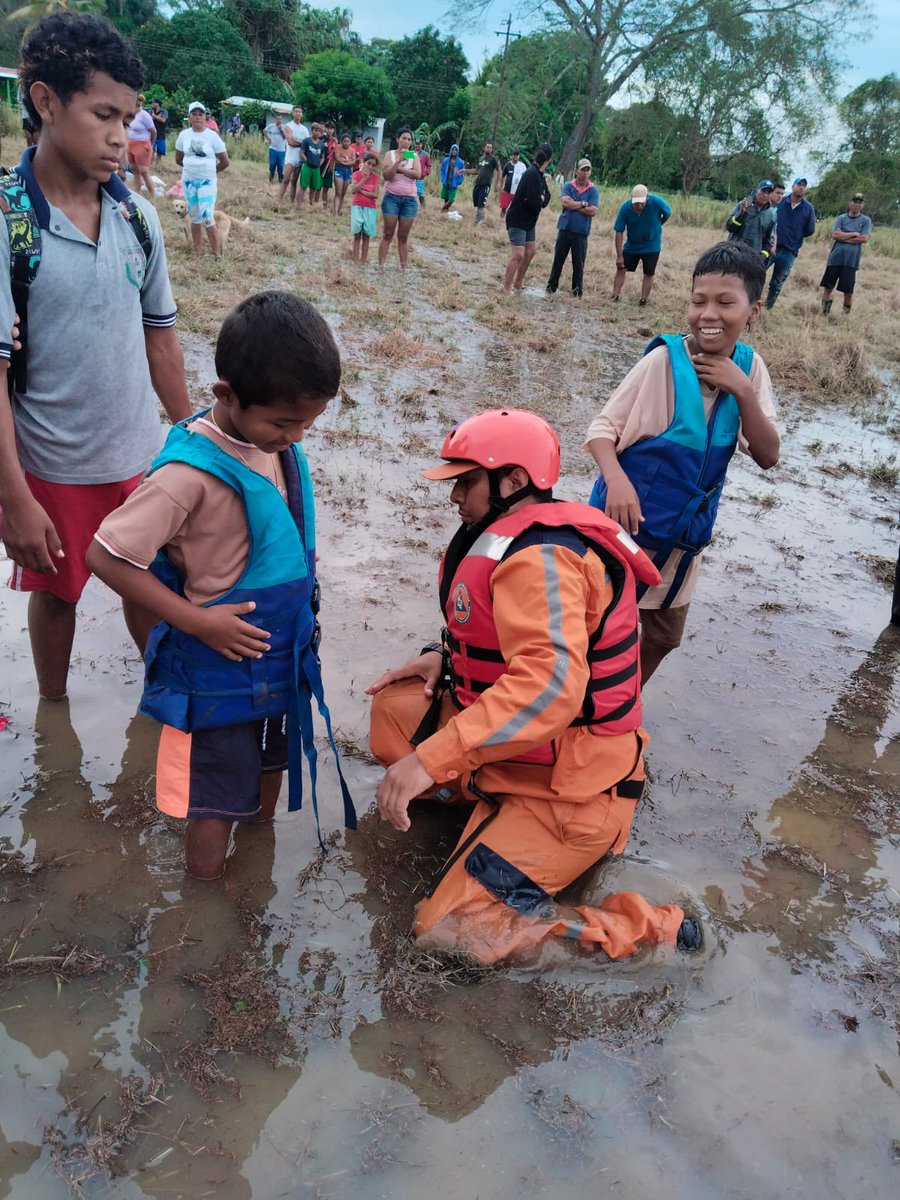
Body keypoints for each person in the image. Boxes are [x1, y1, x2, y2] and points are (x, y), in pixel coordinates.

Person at [366, 408, 695, 965]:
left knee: (449, 933)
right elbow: (503, 637)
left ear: (514, 481)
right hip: (527, 755)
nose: (455, 497)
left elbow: (549, 689)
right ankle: (478, 805)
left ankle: (650, 929)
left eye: (465, 481)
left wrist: (430, 761)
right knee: (395, 711)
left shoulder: (544, 556)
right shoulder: (511, 538)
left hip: (572, 788)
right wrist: (440, 657)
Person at [87, 292, 355, 880]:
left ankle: (255, 862)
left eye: (309, 422)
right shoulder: (184, 477)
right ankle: (204, 899)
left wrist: (283, 432)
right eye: (285, 422)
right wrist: (196, 620)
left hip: (279, 654)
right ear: (225, 395)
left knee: (268, 763)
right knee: (213, 794)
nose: (297, 436)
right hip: (217, 664)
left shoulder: (274, 447)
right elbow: (105, 555)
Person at [0, 12, 190, 703]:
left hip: (141, 459)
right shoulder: (9, 221)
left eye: (130, 119)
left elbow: (160, 339)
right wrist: (14, 498)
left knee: (153, 587)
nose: (122, 137)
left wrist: (197, 441)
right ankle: (55, 716)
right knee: (58, 597)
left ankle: (161, 701)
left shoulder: (138, 218)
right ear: (46, 102)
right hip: (52, 467)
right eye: (104, 115)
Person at [585, 241, 780, 682]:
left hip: (682, 544)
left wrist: (742, 391)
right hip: (624, 531)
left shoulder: (752, 371)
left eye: (725, 302)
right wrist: (615, 481)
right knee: (592, 629)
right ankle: (578, 710)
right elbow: (602, 431)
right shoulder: (661, 363)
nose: (708, 314)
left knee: (661, 638)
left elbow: (768, 456)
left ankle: (622, 708)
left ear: (754, 311)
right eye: (698, 301)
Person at [175, 101, 230, 256]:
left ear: (206, 117)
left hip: (207, 181)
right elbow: (178, 158)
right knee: (195, 217)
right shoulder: (183, 135)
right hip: (189, 181)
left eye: (201, 114)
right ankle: (197, 253)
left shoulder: (212, 136)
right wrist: (191, 170)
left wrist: (211, 172)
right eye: (194, 114)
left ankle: (217, 255)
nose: (198, 117)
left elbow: (225, 161)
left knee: (207, 216)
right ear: (189, 117)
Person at [503, 142, 552, 294]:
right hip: (518, 219)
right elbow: (535, 202)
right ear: (549, 160)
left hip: (529, 220)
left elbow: (544, 199)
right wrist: (541, 198)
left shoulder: (540, 175)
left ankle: (518, 283)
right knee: (518, 254)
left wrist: (541, 197)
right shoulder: (532, 174)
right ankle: (506, 289)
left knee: (530, 252)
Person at [545, 158, 599, 297]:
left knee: (578, 263)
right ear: (576, 171)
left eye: (588, 170)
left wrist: (573, 205)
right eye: (583, 170)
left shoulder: (593, 190)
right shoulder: (569, 185)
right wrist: (582, 203)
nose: (585, 173)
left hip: (581, 232)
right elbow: (564, 204)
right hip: (565, 228)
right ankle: (551, 287)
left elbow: (593, 211)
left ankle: (576, 292)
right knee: (558, 260)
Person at [612, 184, 672, 306]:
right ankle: (615, 295)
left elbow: (668, 212)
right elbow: (619, 231)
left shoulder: (657, 202)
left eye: (641, 203)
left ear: (647, 199)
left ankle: (643, 300)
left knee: (649, 273)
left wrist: (659, 224)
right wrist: (619, 256)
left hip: (652, 245)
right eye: (636, 203)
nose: (638, 206)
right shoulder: (625, 208)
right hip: (632, 245)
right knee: (621, 268)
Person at [765, 177, 816, 308]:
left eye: (804, 185)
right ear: (792, 186)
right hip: (770, 247)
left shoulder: (808, 208)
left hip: (789, 252)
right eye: (799, 184)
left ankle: (768, 307)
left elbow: (810, 230)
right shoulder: (781, 201)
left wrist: (795, 236)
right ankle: (751, 303)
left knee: (777, 283)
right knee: (758, 274)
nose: (801, 187)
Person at [820, 193, 871, 315]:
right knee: (828, 287)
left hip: (851, 261)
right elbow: (835, 235)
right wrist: (854, 233)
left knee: (848, 291)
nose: (856, 204)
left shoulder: (865, 220)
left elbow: (864, 238)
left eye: (860, 202)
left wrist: (844, 237)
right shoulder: (841, 218)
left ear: (863, 205)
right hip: (835, 259)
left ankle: (845, 315)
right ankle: (824, 313)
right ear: (850, 203)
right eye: (855, 201)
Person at [378, 127, 421, 270]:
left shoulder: (414, 156)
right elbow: (386, 176)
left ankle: (403, 268)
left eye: (409, 139)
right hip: (391, 198)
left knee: (403, 237)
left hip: (409, 201)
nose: (406, 142)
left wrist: (398, 169)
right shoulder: (389, 155)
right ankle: (381, 265)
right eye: (403, 138)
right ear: (397, 139)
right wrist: (398, 162)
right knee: (388, 233)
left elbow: (417, 174)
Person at [725, 179, 776, 261]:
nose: (765, 195)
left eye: (769, 192)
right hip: (733, 253)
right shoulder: (743, 205)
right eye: (763, 191)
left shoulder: (771, 214)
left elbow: (769, 241)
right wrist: (741, 214)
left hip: (752, 259)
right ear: (757, 191)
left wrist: (762, 256)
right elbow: (729, 227)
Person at [350, 152, 380, 263]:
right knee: (357, 234)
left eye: (373, 165)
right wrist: (364, 179)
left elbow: (375, 195)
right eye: (368, 163)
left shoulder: (375, 178)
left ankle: (363, 260)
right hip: (357, 206)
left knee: (366, 235)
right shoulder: (357, 175)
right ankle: (355, 260)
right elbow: (353, 190)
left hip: (370, 208)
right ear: (363, 162)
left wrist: (361, 191)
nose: (370, 167)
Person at [126, 92, 156, 200]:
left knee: (144, 171)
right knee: (135, 170)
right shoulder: (129, 114)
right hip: (130, 143)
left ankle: (153, 194)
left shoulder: (144, 115)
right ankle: (137, 192)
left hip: (142, 143)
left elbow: (153, 132)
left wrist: (149, 144)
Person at [278, 106, 309, 206]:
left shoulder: (305, 129)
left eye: (300, 111)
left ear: (302, 114)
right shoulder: (288, 126)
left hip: (300, 158)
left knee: (294, 181)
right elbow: (290, 142)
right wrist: (302, 143)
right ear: (293, 113)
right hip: (290, 157)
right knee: (286, 179)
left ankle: (291, 202)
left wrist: (300, 143)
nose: (298, 113)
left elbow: (307, 144)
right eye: (296, 111)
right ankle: (278, 201)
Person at [464, 140, 500, 224]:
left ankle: (479, 222)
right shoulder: (481, 159)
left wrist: (496, 184)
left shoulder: (493, 159)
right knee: (477, 203)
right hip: (477, 183)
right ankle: (480, 217)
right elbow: (476, 171)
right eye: (488, 147)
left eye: (490, 148)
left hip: (486, 184)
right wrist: (465, 171)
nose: (489, 149)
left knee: (481, 204)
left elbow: (499, 170)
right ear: (484, 148)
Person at [298, 123, 326, 210]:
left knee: (314, 187)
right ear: (312, 130)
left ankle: (311, 204)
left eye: (319, 131)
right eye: (315, 130)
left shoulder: (321, 144)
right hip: (307, 166)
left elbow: (323, 157)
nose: (317, 132)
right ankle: (298, 205)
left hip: (316, 168)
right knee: (303, 186)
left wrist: (319, 164)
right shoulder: (306, 141)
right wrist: (307, 161)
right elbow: (301, 153)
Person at [332, 132, 357, 216]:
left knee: (343, 193)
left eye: (348, 141)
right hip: (339, 170)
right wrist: (347, 161)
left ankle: (339, 210)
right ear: (341, 141)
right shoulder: (337, 147)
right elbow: (337, 158)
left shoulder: (352, 150)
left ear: (350, 142)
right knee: (338, 192)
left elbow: (354, 161)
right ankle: (335, 212)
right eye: (344, 141)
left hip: (348, 171)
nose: (346, 143)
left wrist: (344, 162)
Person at [440, 143, 465, 213]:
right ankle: (445, 210)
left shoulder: (460, 162)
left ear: (457, 152)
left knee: (451, 199)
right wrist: (442, 178)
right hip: (446, 181)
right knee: (446, 198)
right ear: (451, 150)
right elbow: (442, 170)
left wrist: (458, 182)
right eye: (453, 150)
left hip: (454, 183)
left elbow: (462, 174)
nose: (454, 151)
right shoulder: (445, 161)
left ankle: (442, 209)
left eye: (455, 150)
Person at [263, 112, 287, 184]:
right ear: (275, 120)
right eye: (277, 119)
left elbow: (285, 137)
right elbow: (264, 131)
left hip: (281, 150)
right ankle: (271, 177)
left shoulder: (284, 127)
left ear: (282, 120)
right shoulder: (271, 126)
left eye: (280, 119)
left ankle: (280, 178)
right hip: (272, 148)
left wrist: (281, 130)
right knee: (272, 164)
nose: (279, 120)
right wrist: (268, 139)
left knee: (280, 165)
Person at [321, 120, 337, 208]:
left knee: (326, 188)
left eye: (331, 128)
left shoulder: (335, 141)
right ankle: (315, 203)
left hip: (329, 166)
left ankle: (324, 205)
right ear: (325, 129)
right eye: (328, 128)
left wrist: (332, 166)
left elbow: (335, 155)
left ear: (333, 130)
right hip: (321, 165)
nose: (330, 130)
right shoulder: (321, 138)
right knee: (318, 186)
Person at [149, 97, 168, 164]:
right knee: (151, 151)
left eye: (153, 102)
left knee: (160, 153)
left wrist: (154, 116)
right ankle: (150, 167)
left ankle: (158, 168)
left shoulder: (164, 112)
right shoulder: (150, 111)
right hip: (152, 135)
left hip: (161, 135)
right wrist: (157, 117)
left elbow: (163, 120)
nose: (151, 104)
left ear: (157, 104)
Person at [415, 138, 432, 208]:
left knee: (420, 193)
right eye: (416, 144)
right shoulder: (410, 153)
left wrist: (426, 173)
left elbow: (429, 165)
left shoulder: (425, 155)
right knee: (410, 193)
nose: (417, 146)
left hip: (420, 178)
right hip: (411, 177)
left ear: (422, 145)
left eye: (419, 144)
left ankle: (423, 208)